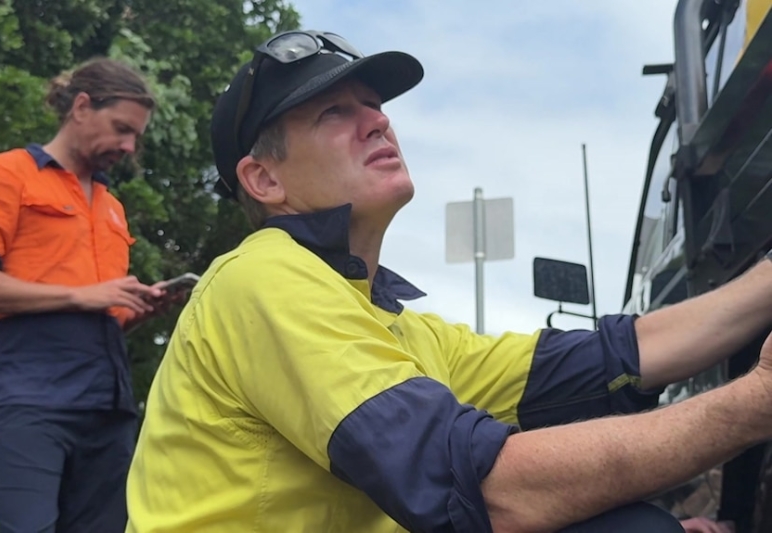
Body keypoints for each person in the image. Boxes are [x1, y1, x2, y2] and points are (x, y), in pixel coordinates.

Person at [125, 30, 772, 533]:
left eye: (375, 107)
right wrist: (753, 403)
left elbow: (621, 353)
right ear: (265, 180)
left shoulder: (395, 326)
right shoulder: (262, 276)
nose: (378, 121)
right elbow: (495, 494)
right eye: (334, 113)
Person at [0, 58, 171, 532]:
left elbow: (100, 308)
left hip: (108, 405)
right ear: (82, 106)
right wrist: (84, 296)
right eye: (122, 128)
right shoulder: (4, 175)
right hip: (29, 398)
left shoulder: (111, 207)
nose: (128, 146)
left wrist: (137, 308)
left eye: (136, 137)